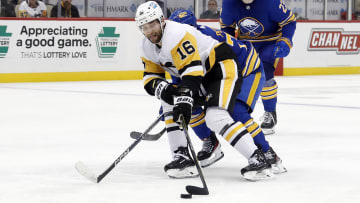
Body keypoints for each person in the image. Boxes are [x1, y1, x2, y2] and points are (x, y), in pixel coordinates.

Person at [135, 1, 274, 181]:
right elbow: (150, 78)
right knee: (168, 100)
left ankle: (258, 159)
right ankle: (182, 156)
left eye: (152, 24)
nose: (149, 31)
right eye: (144, 27)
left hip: (220, 68)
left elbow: (192, 71)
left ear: (162, 20)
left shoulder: (176, 33)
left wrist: (183, 98)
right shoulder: (146, 47)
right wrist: (167, 92)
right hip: (200, 75)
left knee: (215, 117)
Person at [169, 9, 286, 175]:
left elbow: (228, 67)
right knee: (190, 105)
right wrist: (176, 96)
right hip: (214, 75)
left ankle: (268, 153)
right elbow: (178, 74)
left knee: (236, 111)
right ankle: (210, 143)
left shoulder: (207, 39)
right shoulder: (173, 44)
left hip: (246, 70)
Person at [220, 0, 297, 134]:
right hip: (247, 44)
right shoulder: (229, 3)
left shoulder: (271, 2)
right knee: (239, 78)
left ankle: (270, 113)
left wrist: (286, 40)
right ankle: (239, 115)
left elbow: (289, 21)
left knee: (266, 73)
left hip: (270, 42)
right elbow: (227, 27)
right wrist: (230, 45)